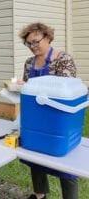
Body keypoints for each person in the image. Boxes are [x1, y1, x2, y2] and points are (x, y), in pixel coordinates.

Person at [19, 22, 77, 199]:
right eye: (29, 43)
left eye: (36, 41)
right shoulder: (29, 63)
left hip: (58, 117)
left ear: (48, 37)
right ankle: (39, 195)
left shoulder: (63, 59)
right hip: (36, 116)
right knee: (35, 156)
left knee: (65, 164)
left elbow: (66, 90)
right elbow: (27, 90)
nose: (32, 47)